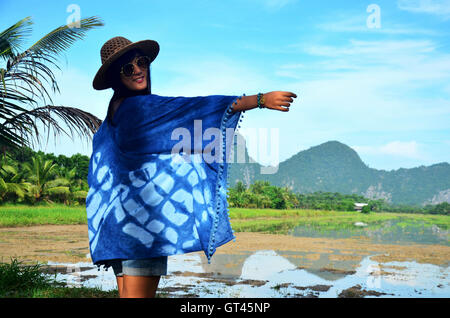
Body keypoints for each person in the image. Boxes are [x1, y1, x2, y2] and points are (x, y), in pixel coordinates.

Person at [89, 36, 297, 298]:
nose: (139, 70)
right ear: (116, 78)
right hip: (143, 233)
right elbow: (195, 109)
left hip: (118, 229)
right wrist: (258, 100)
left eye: (141, 62)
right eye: (128, 68)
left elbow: (100, 180)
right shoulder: (142, 108)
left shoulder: (110, 121)